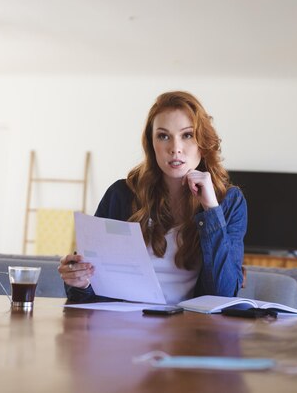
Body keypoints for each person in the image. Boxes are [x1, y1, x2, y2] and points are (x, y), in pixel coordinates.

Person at [58, 91, 247, 303]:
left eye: (187, 135)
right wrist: (79, 280)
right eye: (163, 136)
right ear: (151, 144)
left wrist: (211, 210)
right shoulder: (121, 194)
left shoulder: (229, 201)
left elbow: (223, 295)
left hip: (190, 329)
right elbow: (83, 294)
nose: (175, 149)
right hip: (124, 327)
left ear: (202, 142)